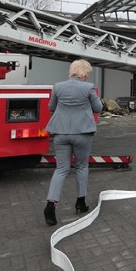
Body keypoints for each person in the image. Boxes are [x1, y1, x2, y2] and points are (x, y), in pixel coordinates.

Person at [43, 59, 104, 226]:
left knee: (61, 169)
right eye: (87, 74)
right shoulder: (88, 87)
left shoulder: (58, 86)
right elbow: (98, 108)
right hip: (82, 133)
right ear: (84, 73)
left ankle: (50, 205)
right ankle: (80, 202)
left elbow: (51, 107)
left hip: (61, 133)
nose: (87, 77)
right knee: (82, 166)